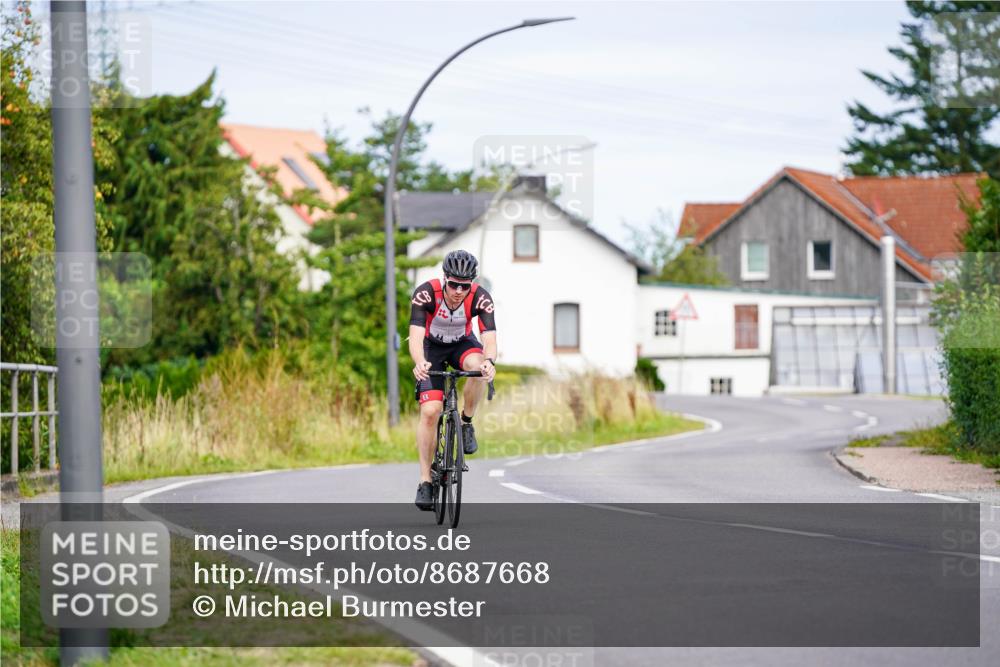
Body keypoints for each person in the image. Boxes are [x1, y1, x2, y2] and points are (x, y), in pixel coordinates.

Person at [409, 249, 497, 510]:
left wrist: (489, 362)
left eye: (465, 286)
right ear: (444, 278)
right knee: (430, 411)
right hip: (431, 348)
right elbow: (415, 336)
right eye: (454, 284)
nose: (459, 291)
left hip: (462, 344)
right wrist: (419, 362)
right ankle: (425, 481)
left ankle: (467, 422)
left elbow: (489, 339)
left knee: (479, 367)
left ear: (472, 283)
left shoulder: (481, 298)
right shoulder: (426, 293)